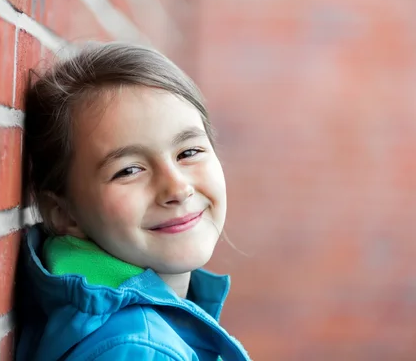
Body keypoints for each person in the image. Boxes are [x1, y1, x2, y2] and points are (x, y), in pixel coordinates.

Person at [15, 42, 251, 361]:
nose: (177, 188)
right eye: (128, 170)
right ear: (64, 213)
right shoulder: (139, 350)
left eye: (189, 152)